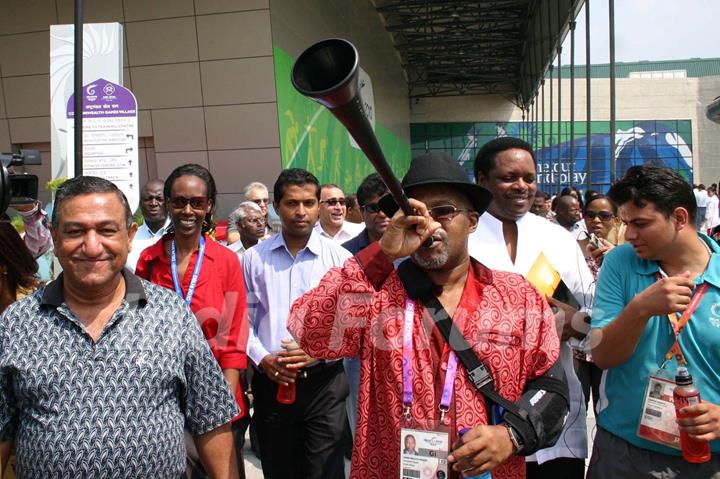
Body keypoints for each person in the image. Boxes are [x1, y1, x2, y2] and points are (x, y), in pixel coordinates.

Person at [289, 152, 569, 479]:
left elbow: (552, 387)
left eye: (444, 211)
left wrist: (511, 436)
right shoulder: (373, 294)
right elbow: (309, 331)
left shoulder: (517, 296)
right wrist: (382, 253)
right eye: (415, 213)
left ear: (473, 221)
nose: (429, 224)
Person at [0, 176, 239, 478]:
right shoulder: (17, 323)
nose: (91, 245)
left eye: (106, 230)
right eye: (75, 231)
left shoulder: (171, 314)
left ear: (129, 236)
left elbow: (211, 419)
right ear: (55, 237)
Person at [468, 137, 592, 478]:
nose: (522, 186)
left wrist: (577, 323)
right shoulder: (461, 240)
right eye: (509, 177)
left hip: (553, 406)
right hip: (483, 415)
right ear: (482, 180)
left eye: (529, 177)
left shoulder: (558, 239)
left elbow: (594, 316)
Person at [587, 164, 720, 477]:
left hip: (709, 459)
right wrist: (640, 309)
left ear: (679, 218)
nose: (629, 234)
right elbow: (603, 356)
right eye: (625, 223)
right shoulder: (620, 263)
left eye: (641, 224)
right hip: (624, 454)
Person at [135, 164, 249, 479]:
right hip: (162, 400)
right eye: (180, 201)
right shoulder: (149, 260)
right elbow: (137, 329)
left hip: (219, 395)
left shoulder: (226, 261)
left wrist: (221, 405)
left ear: (209, 205)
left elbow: (233, 336)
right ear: (169, 203)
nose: (188, 210)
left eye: (197, 202)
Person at [242, 168, 351, 479]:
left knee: (324, 470)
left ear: (319, 206)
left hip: (324, 383)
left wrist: (320, 352)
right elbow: (241, 321)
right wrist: (263, 359)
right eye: (291, 203)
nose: (301, 212)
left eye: (308, 203)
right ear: (276, 206)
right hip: (272, 381)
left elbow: (352, 323)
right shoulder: (253, 260)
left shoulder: (340, 260)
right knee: (278, 469)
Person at [341, 173, 390, 440]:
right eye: (373, 207)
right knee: (364, 432)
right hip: (359, 354)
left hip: (408, 351)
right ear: (361, 210)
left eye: (388, 205)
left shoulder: (418, 249)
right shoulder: (345, 253)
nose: (382, 213)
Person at [574, 195, 619, 415]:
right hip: (576, 342)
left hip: (608, 341)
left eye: (604, 215)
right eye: (590, 215)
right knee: (576, 407)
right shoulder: (570, 249)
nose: (596, 221)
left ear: (616, 219)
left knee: (608, 409)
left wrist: (615, 258)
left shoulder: (623, 254)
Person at [126, 179, 170, 271]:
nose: (153, 203)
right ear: (140, 203)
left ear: (168, 202)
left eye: (159, 199)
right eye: (148, 199)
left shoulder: (179, 235)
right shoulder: (129, 238)